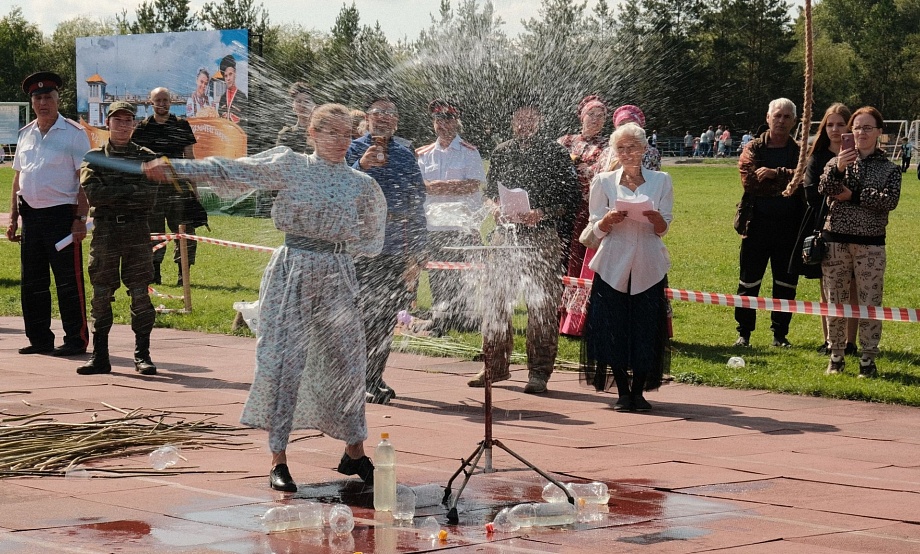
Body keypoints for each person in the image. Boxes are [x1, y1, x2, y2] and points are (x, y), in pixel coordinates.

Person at [144, 103, 387, 492]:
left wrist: (339, 250)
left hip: (337, 277)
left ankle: (354, 451)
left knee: (348, 361)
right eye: (332, 133)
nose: (341, 142)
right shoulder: (291, 165)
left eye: (347, 135)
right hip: (292, 272)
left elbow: (374, 238)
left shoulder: (361, 184)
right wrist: (177, 167)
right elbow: (234, 169)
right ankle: (278, 458)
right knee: (283, 359)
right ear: (312, 133)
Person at [468, 99, 580, 394]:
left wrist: (540, 213)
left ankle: (539, 371)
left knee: (541, 306)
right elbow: (490, 192)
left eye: (530, 119)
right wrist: (494, 208)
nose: (524, 125)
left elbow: (570, 199)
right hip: (505, 237)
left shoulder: (555, 152)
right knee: (495, 301)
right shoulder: (502, 151)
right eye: (519, 119)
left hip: (541, 237)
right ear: (513, 121)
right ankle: (494, 365)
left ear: (539, 121)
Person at [580, 122, 672, 411]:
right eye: (621, 148)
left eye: (633, 147)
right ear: (614, 151)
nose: (628, 152)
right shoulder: (604, 181)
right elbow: (594, 227)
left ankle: (640, 391)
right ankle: (621, 390)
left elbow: (664, 225)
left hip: (648, 264)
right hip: (612, 264)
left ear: (645, 149)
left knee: (646, 328)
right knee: (613, 329)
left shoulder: (662, 180)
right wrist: (606, 221)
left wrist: (656, 219)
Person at [346, 95, 428, 404]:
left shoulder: (406, 155)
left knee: (385, 314)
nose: (383, 117)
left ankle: (374, 376)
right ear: (367, 118)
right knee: (363, 311)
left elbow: (418, 202)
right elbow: (338, 187)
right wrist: (360, 165)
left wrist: (419, 248)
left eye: (390, 113)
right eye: (377, 112)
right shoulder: (351, 148)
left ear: (396, 121)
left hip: (395, 243)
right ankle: (355, 378)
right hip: (361, 245)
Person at [77, 101, 165, 376]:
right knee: (101, 294)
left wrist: (116, 188)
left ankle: (143, 355)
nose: (123, 125)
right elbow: (95, 195)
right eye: (118, 120)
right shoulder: (94, 157)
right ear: (108, 122)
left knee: (140, 294)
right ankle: (100, 356)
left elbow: (148, 197)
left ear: (134, 124)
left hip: (137, 231)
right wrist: (132, 184)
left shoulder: (148, 156)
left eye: (128, 120)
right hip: (105, 232)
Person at [6, 71, 90, 357]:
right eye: (38, 98)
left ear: (58, 99)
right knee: (33, 283)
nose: (43, 103)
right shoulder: (25, 134)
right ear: (32, 102)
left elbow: (83, 181)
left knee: (68, 281)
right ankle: (39, 338)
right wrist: (13, 218)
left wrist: (80, 220)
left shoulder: (74, 134)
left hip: (62, 218)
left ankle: (76, 339)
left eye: (48, 97)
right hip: (31, 217)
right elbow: (18, 180)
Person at [819, 106, 900, 378]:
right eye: (856, 127)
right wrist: (839, 168)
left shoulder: (890, 169)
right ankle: (836, 355)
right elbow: (825, 189)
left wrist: (851, 196)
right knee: (836, 301)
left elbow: (888, 201)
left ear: (878, 132)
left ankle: (867, 358)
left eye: (867, 128)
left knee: (870, 302)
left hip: (871, 244)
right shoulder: (837, 162)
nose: (861, 133)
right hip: (836, 242)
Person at [786, 103, 858, 356]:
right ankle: (829, 340)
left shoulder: (861, 155)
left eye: (841, 124)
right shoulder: (816, 158)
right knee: (827, 287)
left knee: (852, 287)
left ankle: (850, 342)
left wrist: (848, 197)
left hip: (858, 230)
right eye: (830, 124)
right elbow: (812, 194)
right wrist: (847, 196)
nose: (835, 129)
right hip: (823, 227)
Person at [733, 98, 803, 348]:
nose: (781, 121)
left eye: (787, 117)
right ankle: (744, 334)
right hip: (756, 227)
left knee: (785, 285)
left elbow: (803, 182)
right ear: (768, 117)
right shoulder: (753, 148)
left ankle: (780, 335)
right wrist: (788, 181)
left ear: (794, 121)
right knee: (748, 282)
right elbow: (750, 182)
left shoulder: (801, 151)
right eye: (777, 116)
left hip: (790, 230)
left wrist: (775, 173)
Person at [415, 99, 486, 334]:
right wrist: (450, 185)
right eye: (438, 120)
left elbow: (471, 185)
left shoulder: (469, 151)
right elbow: (419, 186)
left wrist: (435, 186)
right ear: (433, 123)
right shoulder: (423, 153)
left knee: (462, 273)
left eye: (447, 119)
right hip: (434, 225)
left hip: (461, 224)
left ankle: (462, 317)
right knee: (437, 273)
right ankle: (441, 319)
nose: (443, 124)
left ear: (456, 122)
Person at [132, 87, 200, 287]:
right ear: (150, 102)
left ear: (171, 102)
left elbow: (190, 158)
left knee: (185, 232)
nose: (162, 104)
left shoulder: (182, 125)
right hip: (152, 190)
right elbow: (137, 161)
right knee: (152, 233)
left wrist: (194, 187)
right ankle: (155, 274)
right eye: (158, 100)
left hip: (178, 189)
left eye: (165, 100)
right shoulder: (143, 128)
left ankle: (183, 275)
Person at [557, 95, 609, 337]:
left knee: (580, 263)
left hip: (587, 211)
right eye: (592, 115)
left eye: (601, 116)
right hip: (560, 211)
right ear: (581, 116)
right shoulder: (565, 141)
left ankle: (578, 318)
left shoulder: (608, 146)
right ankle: (556, 313)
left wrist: (580, 168)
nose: (596, 120)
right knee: (560, 260)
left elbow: (602, 176)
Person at [275, 82, 315, 153]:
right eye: (298, 101)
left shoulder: (323, 132)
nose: (302, 105)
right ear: (293, 105)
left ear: (314, 105)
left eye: (307, 101)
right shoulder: (286, 134)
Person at [217, 55, 247, 124]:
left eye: (230, 74)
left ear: (235, 73)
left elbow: (246, 122)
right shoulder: (222, 98)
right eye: (226, 76)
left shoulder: (242, 97)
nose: (228, 78)